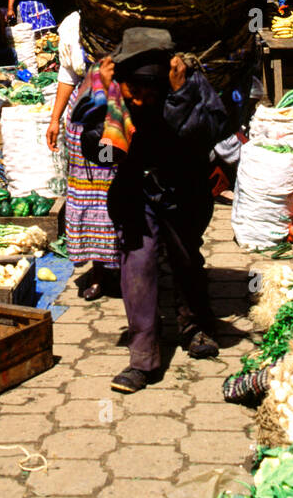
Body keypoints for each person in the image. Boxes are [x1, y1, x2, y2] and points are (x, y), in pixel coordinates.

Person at [75, 27, 228, 393]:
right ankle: (142, 359)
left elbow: (208, 132)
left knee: (185, 258)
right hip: (134, 191)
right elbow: (100, 154)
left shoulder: (188, 84)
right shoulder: (109, 95)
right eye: (134, 88)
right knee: (138, 265)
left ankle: (194, 327)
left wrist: (180, 96)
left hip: (185, 188)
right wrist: (107, 99)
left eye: (151, 88)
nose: (142, 99)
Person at [46, 11, 120, 301]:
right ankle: (100, 272)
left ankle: (129, 268)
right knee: (89, 194)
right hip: (84, 118)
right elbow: (67, 74)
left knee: (116, 190)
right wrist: (55, 119)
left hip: (117, 113)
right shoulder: (73, 23)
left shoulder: (122, 18)